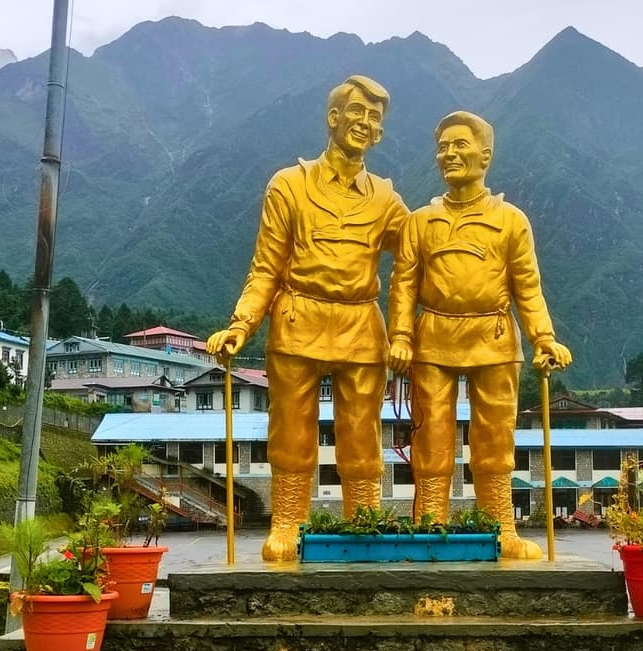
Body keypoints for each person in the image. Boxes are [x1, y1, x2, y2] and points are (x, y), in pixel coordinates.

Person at [206, 75, 408, 561]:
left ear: (380, 132)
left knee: (362, 435)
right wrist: (240, 324)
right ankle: (289, 523)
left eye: (375, 117)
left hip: (362, 324)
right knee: (291, 431)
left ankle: (363, 526)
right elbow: (266, 268)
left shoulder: (384, 198)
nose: (365, 123)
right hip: (297, 319)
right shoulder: (289, 185)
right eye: (356, 111)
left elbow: (419, 256)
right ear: (333, 118)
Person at [388, 111, 572, 559]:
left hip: (493, 337)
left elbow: (527, 286)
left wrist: (543, 338)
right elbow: (403, 284)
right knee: (430, 435)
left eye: (459, 145)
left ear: (485, 154)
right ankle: (431, 522)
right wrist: (400, 336)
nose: (449, 154)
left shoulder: (511, 220)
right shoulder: (419, 221)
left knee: (494, 438)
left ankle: (500, 528)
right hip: (433, 336)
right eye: (443, 148)